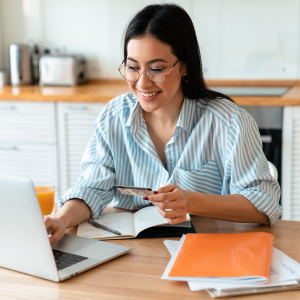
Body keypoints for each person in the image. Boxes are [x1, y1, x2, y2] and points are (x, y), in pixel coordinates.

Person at [45, 3, 282, 246]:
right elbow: (92, 188)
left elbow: (265, 205)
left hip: (206, 251)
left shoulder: (230, 122)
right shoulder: (113, 116)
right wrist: (61, 219)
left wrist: (190, 201)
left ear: (185, 66)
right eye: (133, 68)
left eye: (157, 69)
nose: (142, 83)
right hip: (133, 255)